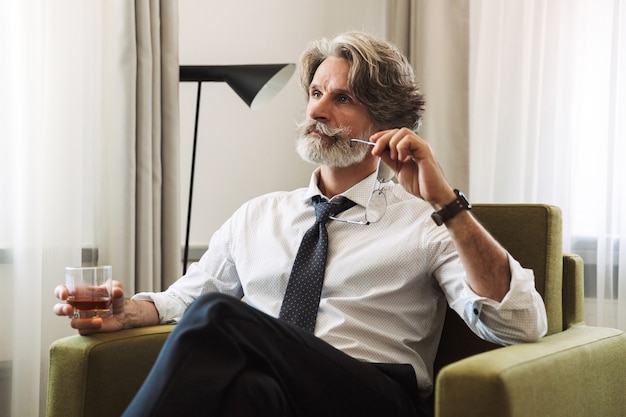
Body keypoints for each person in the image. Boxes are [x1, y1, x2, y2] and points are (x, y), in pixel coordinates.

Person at [54, 31, 547, 417]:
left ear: (385, 125)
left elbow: (521, 322)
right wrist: (128, 312)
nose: (316, 110)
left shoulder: (428, 222)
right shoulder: (257, 215)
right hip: (280, 394)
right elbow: (184, 297)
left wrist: (448, 204)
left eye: (342, 100)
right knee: (248, 390)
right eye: (315, 93)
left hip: (375, 397)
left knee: (219, 316)